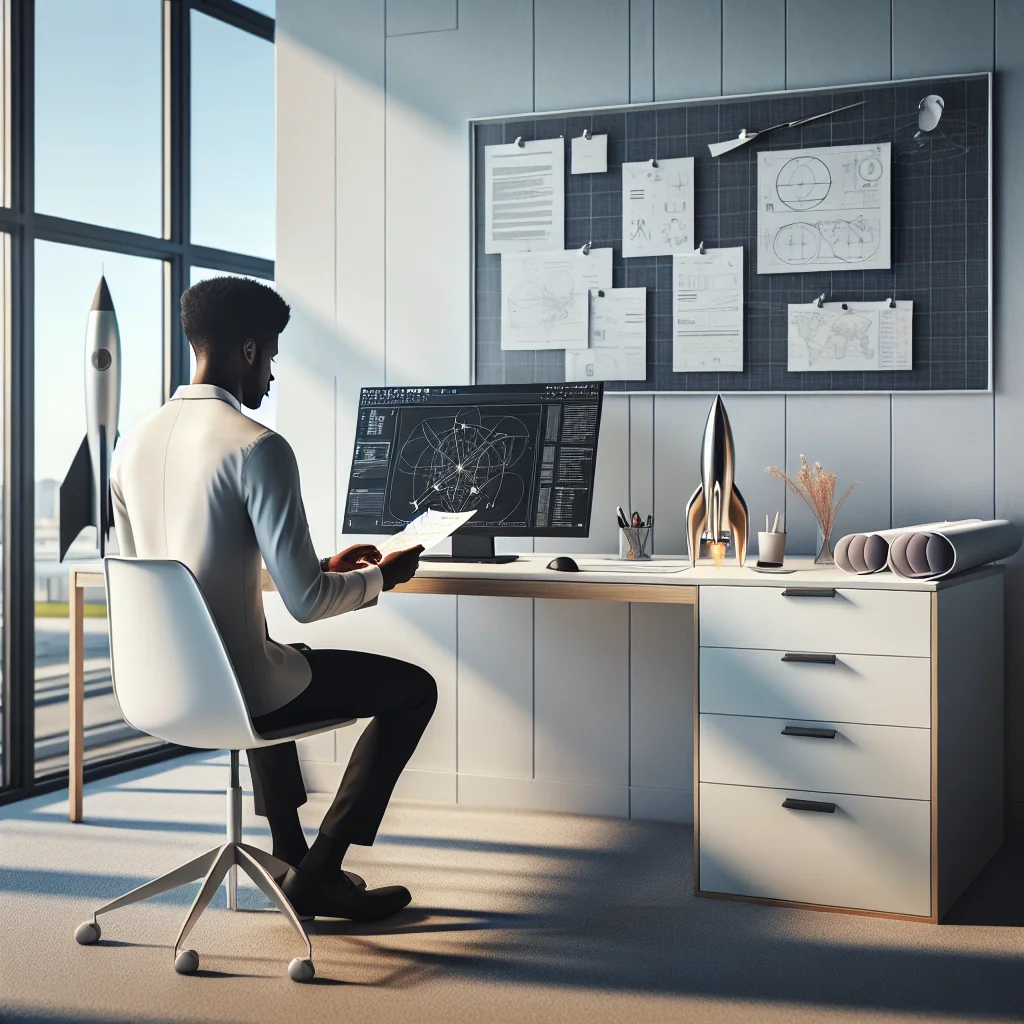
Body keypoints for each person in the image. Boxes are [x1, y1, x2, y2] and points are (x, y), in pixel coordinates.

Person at [109, 276, 436, 922]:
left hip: (156, 688)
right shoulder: (259, 446)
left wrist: (319, 564)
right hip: (242, 689)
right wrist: (381, 578)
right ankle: (320, 870)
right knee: (414, 690)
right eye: (276, 357)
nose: (274, 377)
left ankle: (289, 849)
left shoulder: (131, 446)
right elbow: (308, 602)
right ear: (251, 351)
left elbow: (176, 572)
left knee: (273, 652)